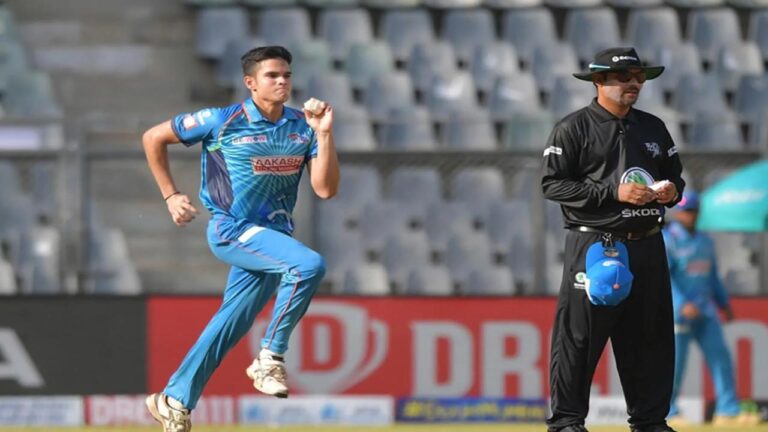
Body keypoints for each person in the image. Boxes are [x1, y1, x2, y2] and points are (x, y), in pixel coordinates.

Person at [141, 45, 339, 432]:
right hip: (232, 229)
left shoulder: (303, 126)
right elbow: (153, 138)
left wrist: (325, 135)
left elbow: (325, 189)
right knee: (309, 265)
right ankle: (270, 356)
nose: (282, 81)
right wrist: (171, 195)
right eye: (272, 76)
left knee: (230, 323)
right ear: (250, 83)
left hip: (272, 237)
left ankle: (174, 400)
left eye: (287, 75)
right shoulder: (221, 119)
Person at [541, 47, 685, 432]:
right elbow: (552, 184)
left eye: (639, 77)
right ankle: (568, 422)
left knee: (651, 339)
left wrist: (672, 192)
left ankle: (650, 422)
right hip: (595, 244)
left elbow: (676, 175)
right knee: (579, 339)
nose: (634, 84)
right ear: (599, 81)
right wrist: (613, 193)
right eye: (625, 77)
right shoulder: (573, 128)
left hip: (649, 242)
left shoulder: (653, 126)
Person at [664, 191, 758, 427]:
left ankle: (727, 410)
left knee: (721, 359)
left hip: (706, 310)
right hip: (680, 314)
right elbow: (665, 278)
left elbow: (712, 276)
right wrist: (681, 304)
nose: (690, 215)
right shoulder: (668, 239)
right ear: (677, 212)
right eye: (686, 211)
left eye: (693, 210)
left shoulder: (706, 241)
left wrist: (724, 304)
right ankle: (669, 412)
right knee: (674, 366)